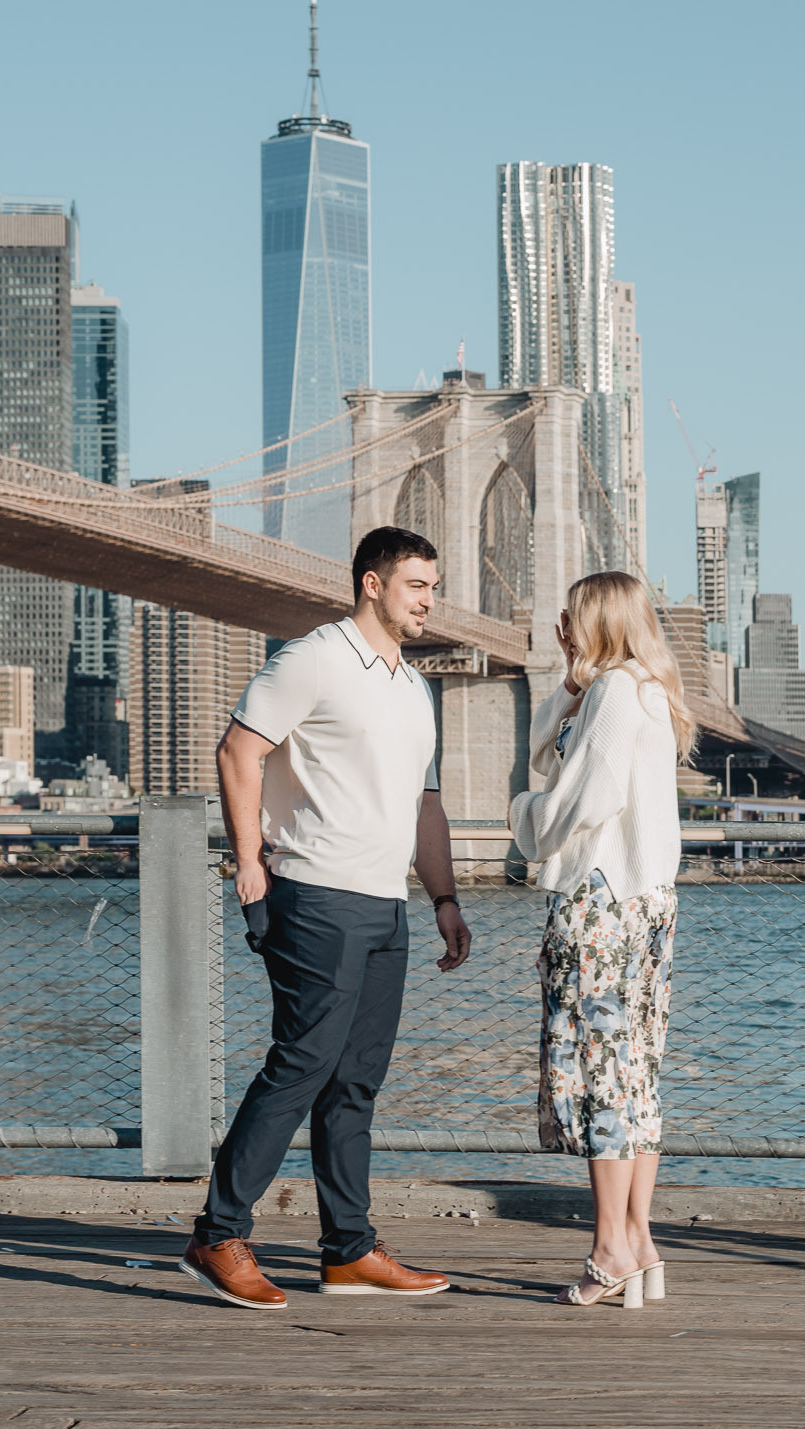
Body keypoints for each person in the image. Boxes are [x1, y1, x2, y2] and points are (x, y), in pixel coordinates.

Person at [178, 526, 473, 1310]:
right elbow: (239, 751)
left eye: (433, 587)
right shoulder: (313, 657)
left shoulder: (415, 688)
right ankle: (217, 1232)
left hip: (386, 903)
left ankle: (347, 1251)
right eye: (416, 585)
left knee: (355, 1082)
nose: (428, 601)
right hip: (313, 892)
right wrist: (248, 857)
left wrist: (442, 898)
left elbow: (426, 803)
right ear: (372, 583)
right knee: (302, 1061)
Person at [509, 570, 695, 1308]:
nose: (565, 627)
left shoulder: (616, 692)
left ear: (601, 620)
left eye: (572, 617)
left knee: (601, 1076)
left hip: (602, 903)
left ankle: (610, 1247)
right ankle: (642, 1240)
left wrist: (526, 814)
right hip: (650, 906)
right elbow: (555, 745)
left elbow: (571, 789)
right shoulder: (643, 687)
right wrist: (567, 680)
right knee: (637, 1071)